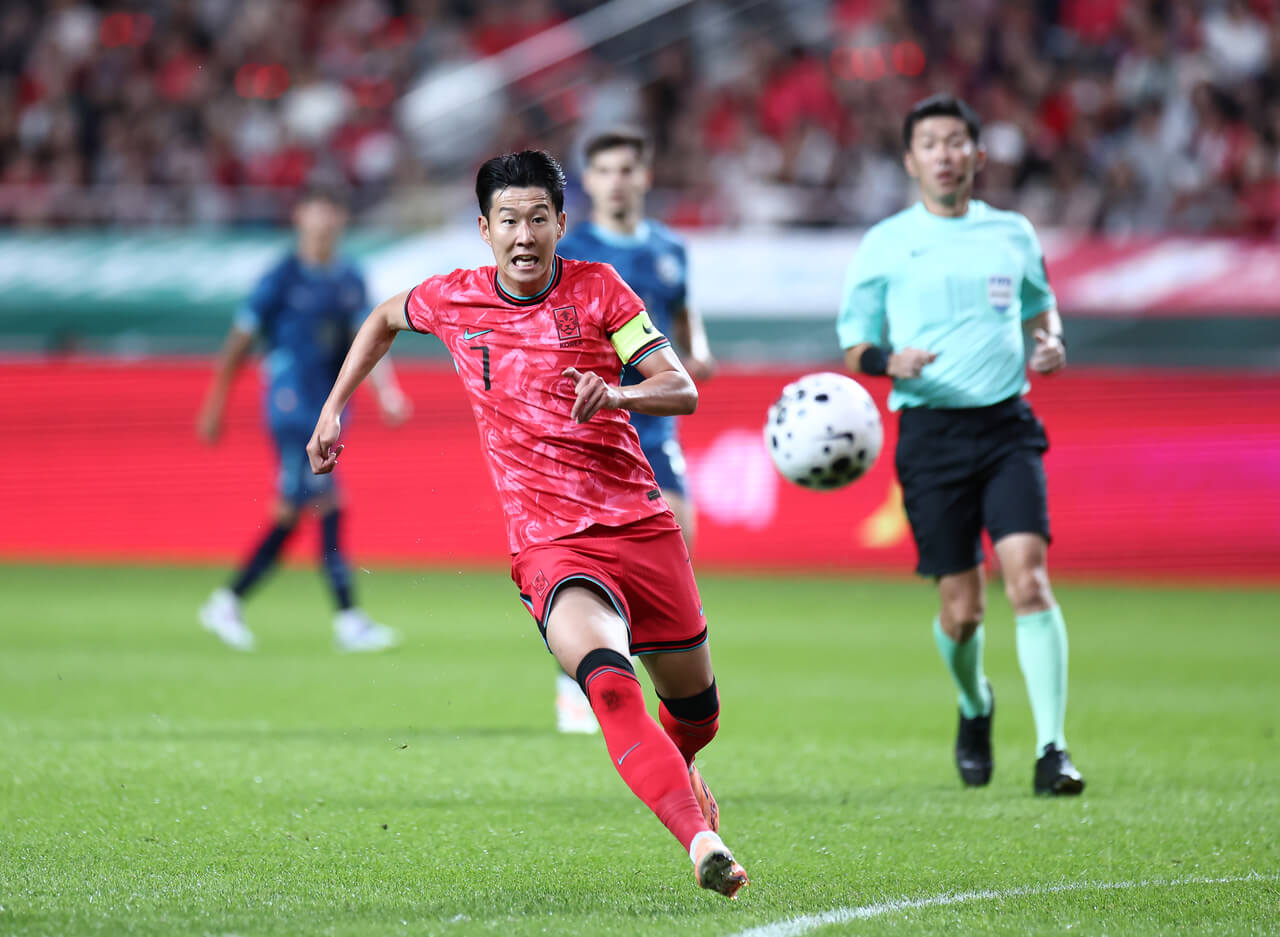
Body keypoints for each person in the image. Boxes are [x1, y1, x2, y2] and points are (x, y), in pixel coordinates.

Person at [304, 150, 748, 897]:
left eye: (538, 217)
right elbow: (382, 317)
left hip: (641, 528)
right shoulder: (454, 299)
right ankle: (700, 839)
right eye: (508, 219)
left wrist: (615, 394)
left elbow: (680, 388)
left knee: (696, 714)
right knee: (608, 687)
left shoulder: (601, 289)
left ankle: (681, 766)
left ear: (561, 223)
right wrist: (334, 404)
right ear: (484, 228)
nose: (523, 233)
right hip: (550, 544)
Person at [838, 94, 1087, 796]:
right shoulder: (886, 242)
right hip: (931, 432)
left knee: (1029, 578)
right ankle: (975, 703)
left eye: (956, 142)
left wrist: (1050, 339)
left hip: (1007, 425)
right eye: (931, 143)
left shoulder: (1011, 232)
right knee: (963, 608)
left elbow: (1042, 307)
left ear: (977, 155)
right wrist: (890, 362)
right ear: (910, 159)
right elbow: (854, 343)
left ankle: (1052, 749)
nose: (945, 154)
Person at [551, 127, 717, 734]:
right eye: (604, 171)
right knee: (591, 554)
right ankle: (579, 670)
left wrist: (697, 350)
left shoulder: (670, 248)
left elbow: (683, 311)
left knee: (679, 541)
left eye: (627, 169)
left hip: (649, 415)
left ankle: (637, 667)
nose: (617, 181)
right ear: (588, 182)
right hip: (591, 420)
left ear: (644, 176)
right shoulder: (573, 250)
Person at [197, 184, 409, 653]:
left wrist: (387, 391)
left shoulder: (350, 276)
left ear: (340, 219)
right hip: (290, 408)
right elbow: (238, 343)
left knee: (293, 513)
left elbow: (369, 338)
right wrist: (215, 405)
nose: (324, 219)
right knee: (328, 502)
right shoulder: (281, 278)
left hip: (330, 409)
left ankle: (228, 600)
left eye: (332, 209)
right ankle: (349, 619)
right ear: (299, 217)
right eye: (316, 209)